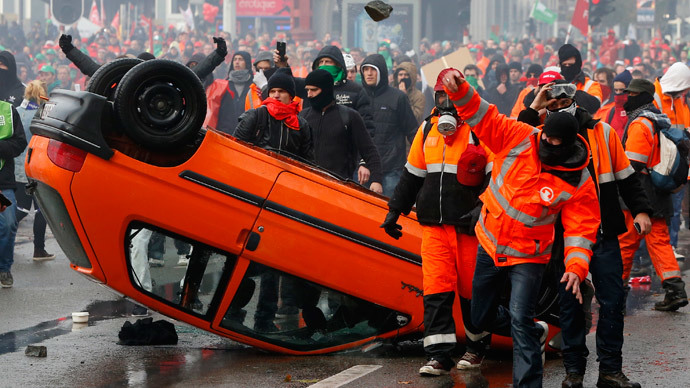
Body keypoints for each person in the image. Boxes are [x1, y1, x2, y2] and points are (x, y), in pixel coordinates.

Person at [442, 70, 600, 388]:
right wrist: (459, 89)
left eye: (555, 142)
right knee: (480, 316)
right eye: (546, 138)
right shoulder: (520, 137)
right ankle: (535, 330)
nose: (548, 144)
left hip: (530, 255)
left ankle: (527, 382)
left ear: (568, 144)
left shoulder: (578, 179)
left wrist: (576, 267)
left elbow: (581, 228)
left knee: (519, 319)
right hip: (490, 242)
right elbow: (484, 116)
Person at [519, 80, 651, 388]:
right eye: (550, 101)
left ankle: (610, 371)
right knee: (570, 305)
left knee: (613, 300)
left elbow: (627, 178)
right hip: (563, 236)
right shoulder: (540, 135)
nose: (558, 102)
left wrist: (641, 209)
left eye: (562, 97)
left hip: (603, 233)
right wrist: (533, 107)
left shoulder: (603, 133)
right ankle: (573, 372)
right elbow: (510, 141)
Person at [381, 68, 492, 376]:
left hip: (468, 229)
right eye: (440, 95)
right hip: (433, 227)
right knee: (436, 291)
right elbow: (412, 175)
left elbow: (498, 177)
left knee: (473, 293)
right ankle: (439, 356)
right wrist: (394, 211)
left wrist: (482, 207)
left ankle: (476, 348)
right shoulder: (428, 129)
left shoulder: (481, 129)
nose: (445, 102)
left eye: (450, 95)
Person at [234, 69, 313, 331]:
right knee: (242, 260)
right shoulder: (256, 116)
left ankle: (263, 321)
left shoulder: (302, 125)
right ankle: (233, 312)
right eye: (273, 91)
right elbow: (236, 151)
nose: (276, 96)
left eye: (281, 92)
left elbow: (307, 165)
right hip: (253, 197)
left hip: (282, 202)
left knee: (271, 264)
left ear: (292, 95)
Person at [618, 78, 689, 312]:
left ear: (642, 97)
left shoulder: (640, 123)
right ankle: (675, 290)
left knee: (626, 240)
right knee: (659, 242)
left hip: (640, 191)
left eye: (632, 94)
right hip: (657, 192)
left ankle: (616, 289)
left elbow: (634, 163)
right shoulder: (657, 119)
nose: (627, 98)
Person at [299, 69, 383, 194]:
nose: (309, 95)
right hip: (306, 186)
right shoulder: (303, 117)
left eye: (314, 90)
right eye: (307, 90)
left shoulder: (349, 116)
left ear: (326, 89)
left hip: (340, 188)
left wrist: (376, 180)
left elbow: (369, 150)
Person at [360, 53, 418, 196]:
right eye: (365, 69)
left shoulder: (398, 97)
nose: (369, 73)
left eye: (373, 69)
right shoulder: (358, 96)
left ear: (381, 72)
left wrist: (420, 163)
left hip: (391, 168)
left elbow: (412, 131)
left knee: (390, 211)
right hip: (363, 169)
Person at [652, 62, 690, 262]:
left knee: (674, 209)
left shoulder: (680, 100)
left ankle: (671, 246)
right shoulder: (656, 96)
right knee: (659, 210)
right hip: (660, 164)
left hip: (677, 164)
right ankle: (658, 250)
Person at [14, 80, 55, 261]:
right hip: (38, 168)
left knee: (21, 208)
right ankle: (39, 250)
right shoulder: (44, 113)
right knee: (41, 211)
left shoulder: (16, 111)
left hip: (18, 168)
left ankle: (4, 238)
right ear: (42, 94)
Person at [0, 99, 29, 288]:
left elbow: (20, 143)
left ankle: (4, 268)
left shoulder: (7, 110)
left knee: (9, 223)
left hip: (4, 181)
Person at [558, 44, 602, 113]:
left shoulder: (591, 84)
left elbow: (595, 105)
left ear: (578, 64)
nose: (567, 67)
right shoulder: (555, 82)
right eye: (564, 65)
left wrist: (572, 92)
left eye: (570, 65)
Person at [594, 70, 632, 138]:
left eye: (621, 90)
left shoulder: (634, 110)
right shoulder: (611, 111)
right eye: (616, 90)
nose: (618, 93)